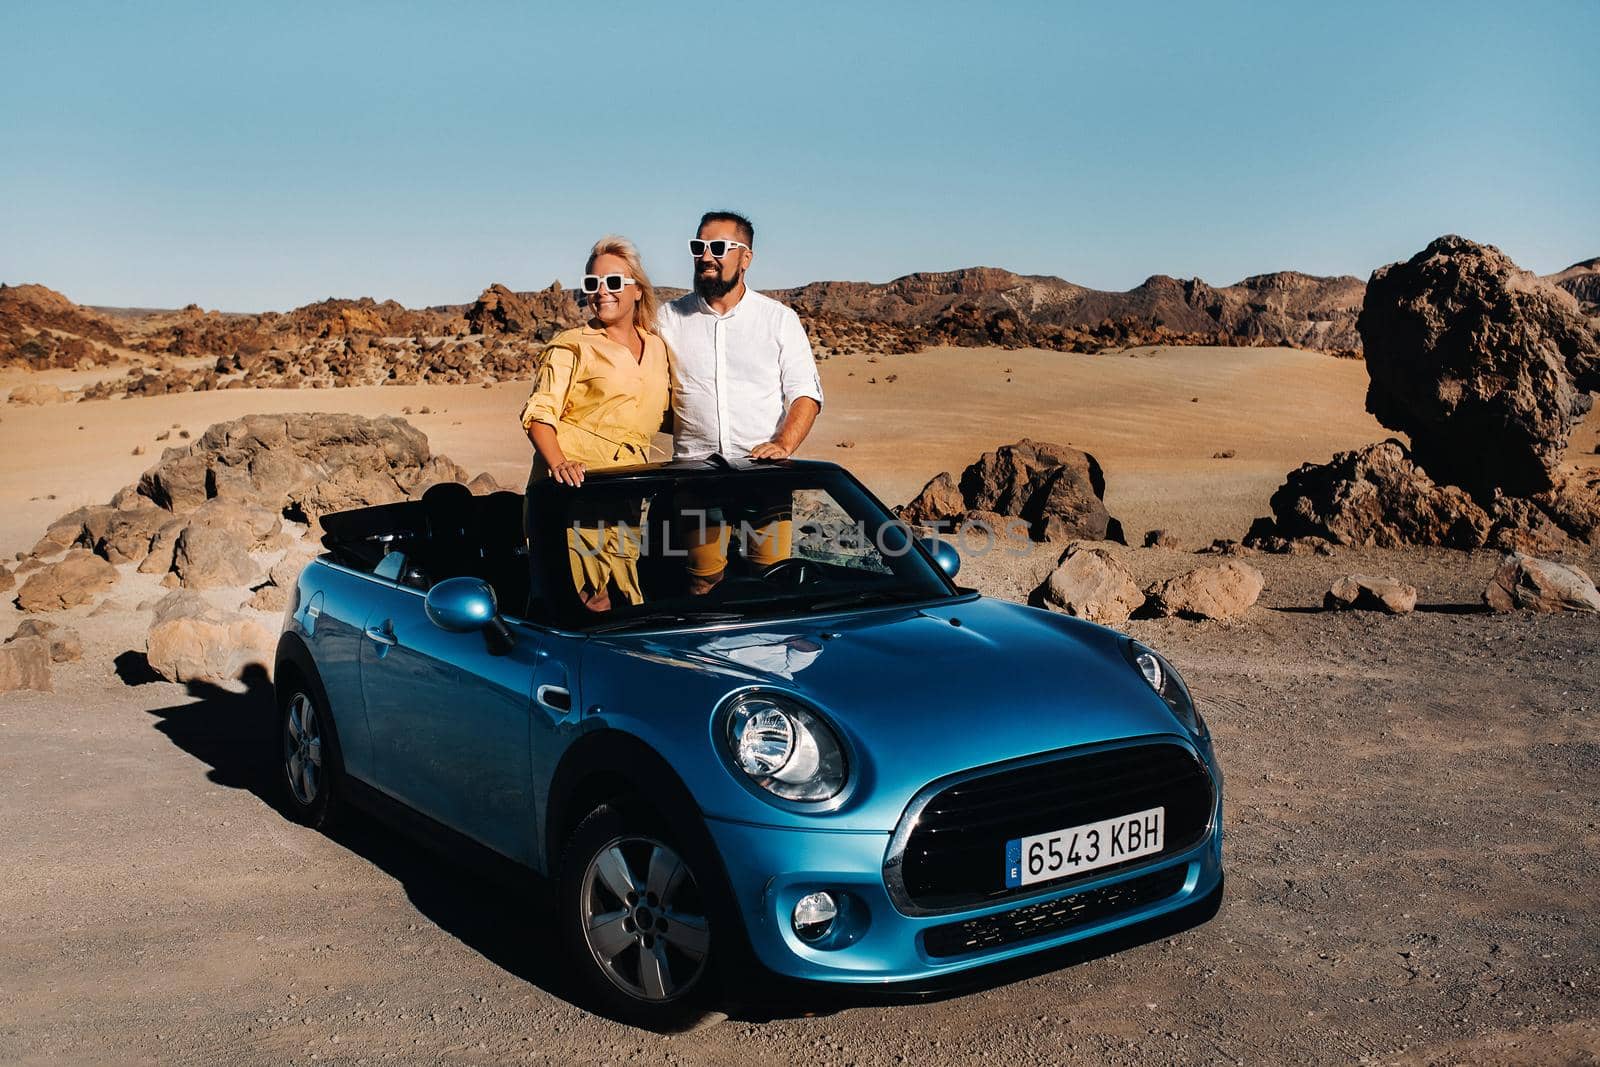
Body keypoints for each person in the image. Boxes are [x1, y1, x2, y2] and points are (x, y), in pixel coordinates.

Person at [657, 211, 824, 594]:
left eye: (718, 247)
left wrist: (783, 445)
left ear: (745, 258)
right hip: (695, 476)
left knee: (772, 581)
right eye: (699, 247)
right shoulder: (668, 319)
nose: (706, 256)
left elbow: (805, 393)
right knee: (703, 582)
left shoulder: (778, 319)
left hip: (763, 476)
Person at [520, 236, 670, 611]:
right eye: (593, 284)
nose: (602, 292)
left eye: (614, 283)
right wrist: (559, 463)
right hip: (572, 492)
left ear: (637, 290)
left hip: (626, 492)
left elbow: (660, 414)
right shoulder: (572, 345)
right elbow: (539, 414)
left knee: (623, 593)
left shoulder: (657, 349)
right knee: (585, 600)